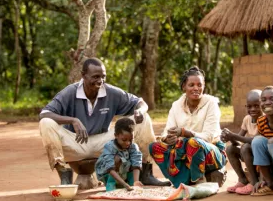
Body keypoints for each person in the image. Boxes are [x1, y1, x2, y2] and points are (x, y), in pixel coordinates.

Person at [39, 57, 170, 186]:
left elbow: (141, 103)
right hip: (75, 143)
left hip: (104, 144)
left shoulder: (110, 92)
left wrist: (140, 111)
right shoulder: (70, 92)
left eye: (103, 77)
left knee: (144, 119)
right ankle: (63, 174)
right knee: (46, 122)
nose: (100, 81)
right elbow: (44, 113)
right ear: (83, 75)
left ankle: (146, 173)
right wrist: (73, 120)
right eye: (95, 77)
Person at [149, 67, 227, 187]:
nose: (196, 88)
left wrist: (185, 132)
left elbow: (209, 137)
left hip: (212, 153)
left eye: (199, 85)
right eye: (191, 85)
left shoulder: (211, 104)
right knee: (154, 147)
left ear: (204, 86)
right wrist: (168, 138)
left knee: (193, 142)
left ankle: (199, 180)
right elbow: (167, 131)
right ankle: (184, 180)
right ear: (184, 87)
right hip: (185, 153)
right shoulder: (176, 105)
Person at [222, 89, 263, 195]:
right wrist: (229, 137)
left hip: (261, 156)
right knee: (230, 148)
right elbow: (237, 140)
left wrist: (233, 135)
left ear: (262, 104)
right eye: (249, 106)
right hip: (249, 154)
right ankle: (242, 180)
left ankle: (253, 182)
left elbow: (255, 140)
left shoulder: (265, 120)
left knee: (245, 147)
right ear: (246, 107)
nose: (253, 109)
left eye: (256, 105)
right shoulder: (247, 119)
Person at [95, 117, 143, 191]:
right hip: (108, 173)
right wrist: (124, 184)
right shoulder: (109, 147)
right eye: (124, 140)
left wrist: (136, 181)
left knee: (132, 160)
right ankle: (111, 184)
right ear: (116, 135)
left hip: (123, 173)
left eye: (131, 140)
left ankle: (132, 183)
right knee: (117, 158)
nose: (128, 143)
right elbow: (110, 168)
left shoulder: (133, 146)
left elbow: (136, 163)